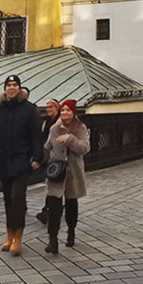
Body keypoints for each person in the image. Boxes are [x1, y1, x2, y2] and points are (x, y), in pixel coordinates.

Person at [0, 75, 42, 256]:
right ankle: (9, 235)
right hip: (4, 160)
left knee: (18, 198)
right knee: (8, 199)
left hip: (22, 160)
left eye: (15, 85)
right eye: (9, 85)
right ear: (5, 89)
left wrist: (37, 157)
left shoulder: (29, 110)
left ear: (19, 89)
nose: (11, 88)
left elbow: (36, 136)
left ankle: (18, 236)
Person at [43, 99, 90, 254]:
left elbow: (84, 148)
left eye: (68, 110)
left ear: (73, 112)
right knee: (54, 205)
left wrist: (70, 139)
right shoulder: (54, 129)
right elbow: (47, 147)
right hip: (57, 171)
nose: (64, 113)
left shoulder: (80, 128)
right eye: (62, 110)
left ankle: (71, 231)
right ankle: (53, 240)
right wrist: (45, 160)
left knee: (71, 203)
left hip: (73, 172)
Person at [35, 99, 61, 224]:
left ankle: (48, 211)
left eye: (51, 107)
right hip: (48, 157)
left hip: (58, 158)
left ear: (57, 108)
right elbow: (42, 138)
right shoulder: (46, 121)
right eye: (47, 107)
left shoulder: (61, 121)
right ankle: (50, 209)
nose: (48, 110)